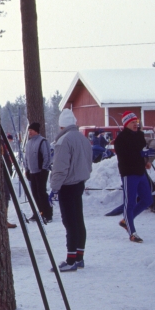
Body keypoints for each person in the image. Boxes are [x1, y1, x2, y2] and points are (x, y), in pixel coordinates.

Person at [49, 109, 93, 271]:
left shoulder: (64, 141)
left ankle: (70, 260)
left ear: (62, 126)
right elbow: (89, 163)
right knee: (78, 220)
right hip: (79, 183)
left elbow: (60, 168)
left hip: (67, 186)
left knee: (69, 222)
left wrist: (54, 188)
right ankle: (79, 257)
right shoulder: (83, 139)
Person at [114, 111, 153, 243]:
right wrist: (140, 154)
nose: (135, 124)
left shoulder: (140, 135)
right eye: (132, 122)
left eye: (136, 122)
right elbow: (125, 156)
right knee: (130, 203)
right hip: (129, 173)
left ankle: (126, 221)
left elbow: (142, 152)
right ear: (126, 124)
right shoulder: (120, 139)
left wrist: (146, 160)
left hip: (141, 172)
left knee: (147, 200)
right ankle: (132, 233)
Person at [24, 122, 53, 224]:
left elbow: (47, 156)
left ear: (36, 131)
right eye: (29, 131)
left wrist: (44, 169)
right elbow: (26, 158)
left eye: (31, 131)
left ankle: (47, 214)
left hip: (41, 171)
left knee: (41, 193)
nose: (29, 133)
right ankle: (39, 213)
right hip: (32, 172)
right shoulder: (29, 143)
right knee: (35, 193)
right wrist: (26, 169)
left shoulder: (42, 141)